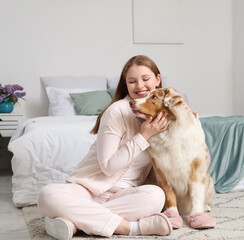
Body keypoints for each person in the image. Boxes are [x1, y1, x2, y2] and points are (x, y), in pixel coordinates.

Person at [38, 55, 176, 240]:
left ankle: (74, 222)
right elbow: (108, 167)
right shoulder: (117, 111)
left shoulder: (161, 117)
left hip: (124, 196)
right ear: (126, 85)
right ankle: (131, 228)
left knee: (156, 196)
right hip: (87, 190)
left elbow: (186, 133)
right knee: (47, 195)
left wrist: (186, 116)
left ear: (158, 80)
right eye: (132, 81)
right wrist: (143, 136)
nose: (140, 86)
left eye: (146, 79)